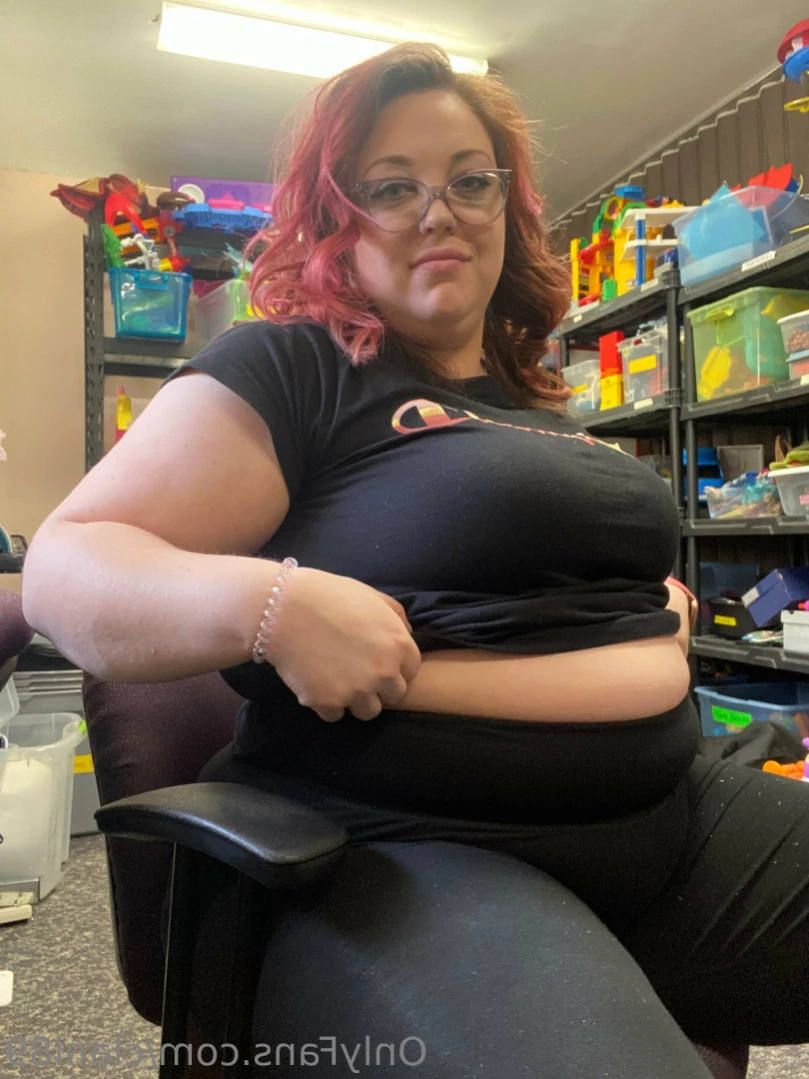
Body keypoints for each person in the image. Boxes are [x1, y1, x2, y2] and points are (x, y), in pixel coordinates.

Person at [21, 42, 809, 1078]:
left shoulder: (537, 400)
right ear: (335, 222)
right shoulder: (293, 367)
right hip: (413, 849)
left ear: (505, 207)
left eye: (469, 181)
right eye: (391, 187)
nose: (439, 212)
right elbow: (67, 566)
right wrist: (271, 603)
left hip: (668, 820)